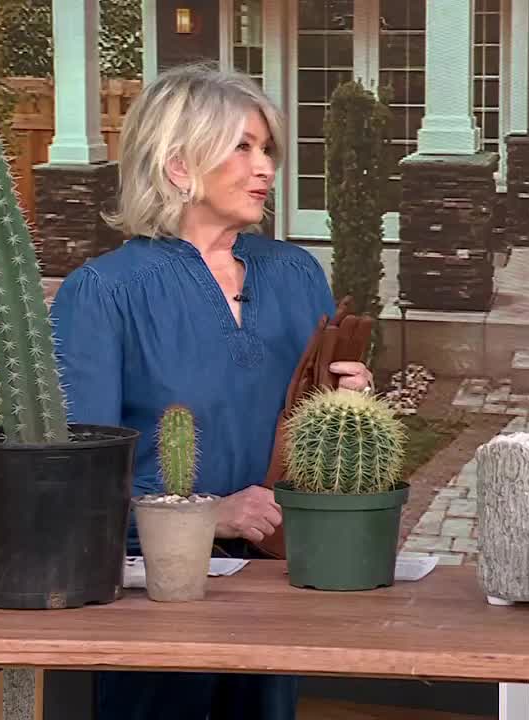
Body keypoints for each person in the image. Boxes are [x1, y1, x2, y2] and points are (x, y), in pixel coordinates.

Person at [49, 63, 373, 719]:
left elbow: (319, 437)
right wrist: (211, 516)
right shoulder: (104, 292)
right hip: (152, 592)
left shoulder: (297, 274)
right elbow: (74, 484)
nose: (266, 168)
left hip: (277, 583)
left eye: (267, 149)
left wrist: (354, 405)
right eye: (242, 148)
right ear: (178, 166)